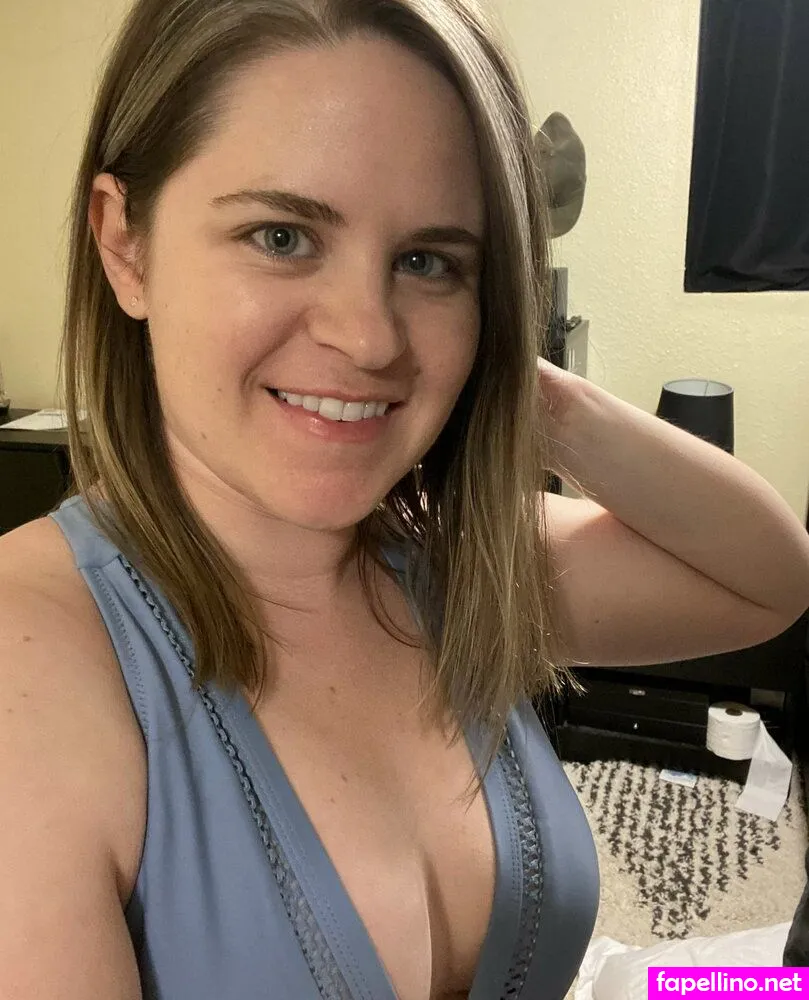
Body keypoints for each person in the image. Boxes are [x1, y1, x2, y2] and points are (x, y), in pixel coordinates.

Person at [2, 1, 809, 998]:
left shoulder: (447, 560)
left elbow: (767, 579)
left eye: (428, 261)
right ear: (125, 245)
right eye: (281, 236)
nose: (371, 337)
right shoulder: (29, 663)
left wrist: (516, 384)